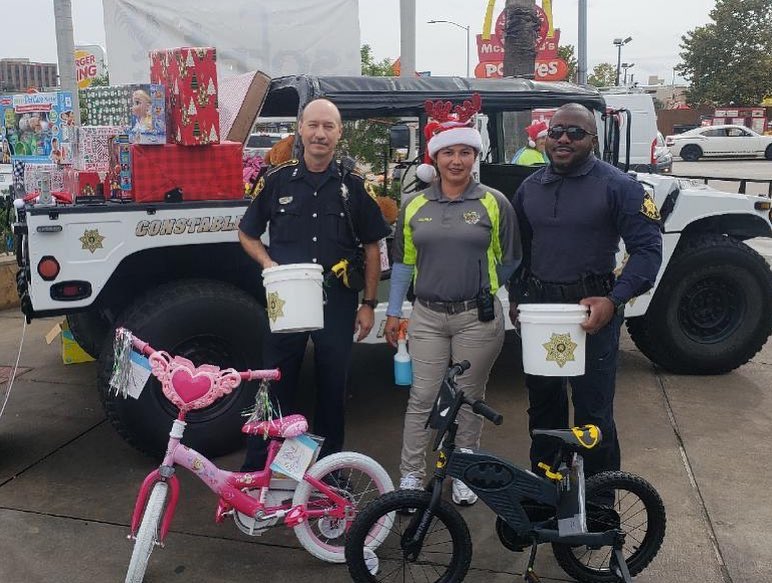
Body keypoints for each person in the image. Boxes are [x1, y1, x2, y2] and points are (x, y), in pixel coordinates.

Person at [510, 103, 663, 479]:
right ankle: (545, 487)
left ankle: (598, 498)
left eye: (575, 133)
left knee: (593, 414)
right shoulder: (529, 188)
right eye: (556, 131)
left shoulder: (620, 187)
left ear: (593, 140)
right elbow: (519, 252)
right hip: (542, 311)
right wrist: (517, 298)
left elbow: (647, 251)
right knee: (543, 406)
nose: (563, 139)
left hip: (592, 310)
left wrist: (615, 300)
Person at [239, 98, 391, 470]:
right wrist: (268, 264)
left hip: (336, 298)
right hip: (288, 297)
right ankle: (261, 466)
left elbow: (372, 247)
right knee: (274, 380)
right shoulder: (277, 180)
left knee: (333, 385)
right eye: (313, 125)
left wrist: (369, 303)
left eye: (328, 126)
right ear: (300, 129)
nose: (320, 134)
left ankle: (328, 469)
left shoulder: (354, 185)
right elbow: (247, 232)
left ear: (339, 133)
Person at [385, 95, 521, 506]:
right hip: (426, 317)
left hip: (477, 320)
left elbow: (510, 258)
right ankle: (412, 474)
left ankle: (465, 470)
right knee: (423, 397)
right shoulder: (414, 205)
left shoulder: (494, 202)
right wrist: (394, 312)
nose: (456, 160)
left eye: (465, 152)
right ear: (435, 157)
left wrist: (481, 286)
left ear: (475, 156)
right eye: (448, 152)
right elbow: (403, 263)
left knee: (468, 398)